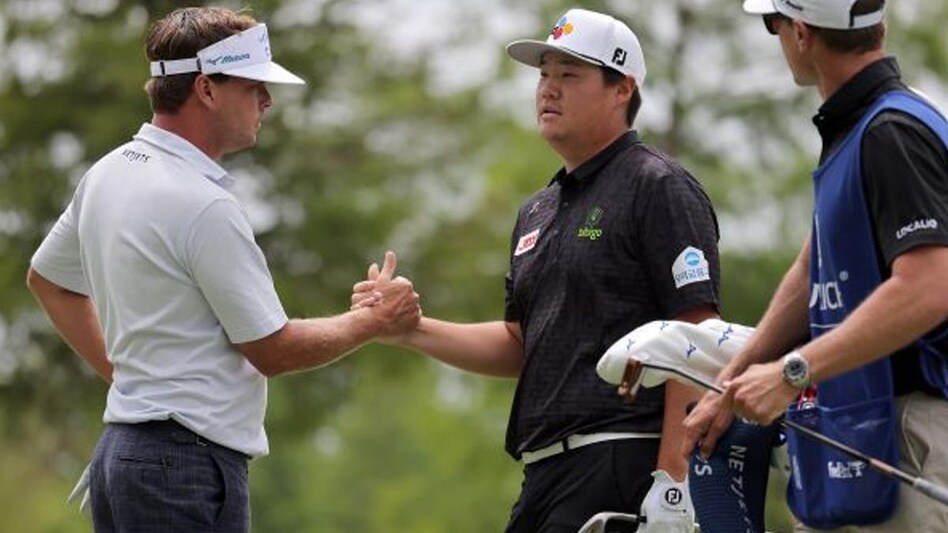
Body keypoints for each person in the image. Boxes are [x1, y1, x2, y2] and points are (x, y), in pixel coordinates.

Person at [27, 7, 420, 532]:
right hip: (182, 468)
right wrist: (372, 320)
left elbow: (48, 282)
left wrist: (132, 383)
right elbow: (273, 350)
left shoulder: (106, 173)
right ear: (207, 89)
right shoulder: (204, 204)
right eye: (253, 86)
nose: (267, 100)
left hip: (123, 454)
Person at [354, 8, 721, 532]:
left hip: (624, 457)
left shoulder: (658, 185)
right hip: (545, 470)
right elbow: (522, 343)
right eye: (544, 74)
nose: (548, 88)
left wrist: (674, 480)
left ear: (622, 89)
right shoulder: (538, 211)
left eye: (569, 74)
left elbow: (696, 336)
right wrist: (410, 329)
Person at [682, 0, 948, 532]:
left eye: (773, 24)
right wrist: (729, 387)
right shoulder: (859, 128)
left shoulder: (891, 131)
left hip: (912, 428)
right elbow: (813, 267)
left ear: (801, 33)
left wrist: (791, 372)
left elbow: (930, 285)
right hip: (861, 430)